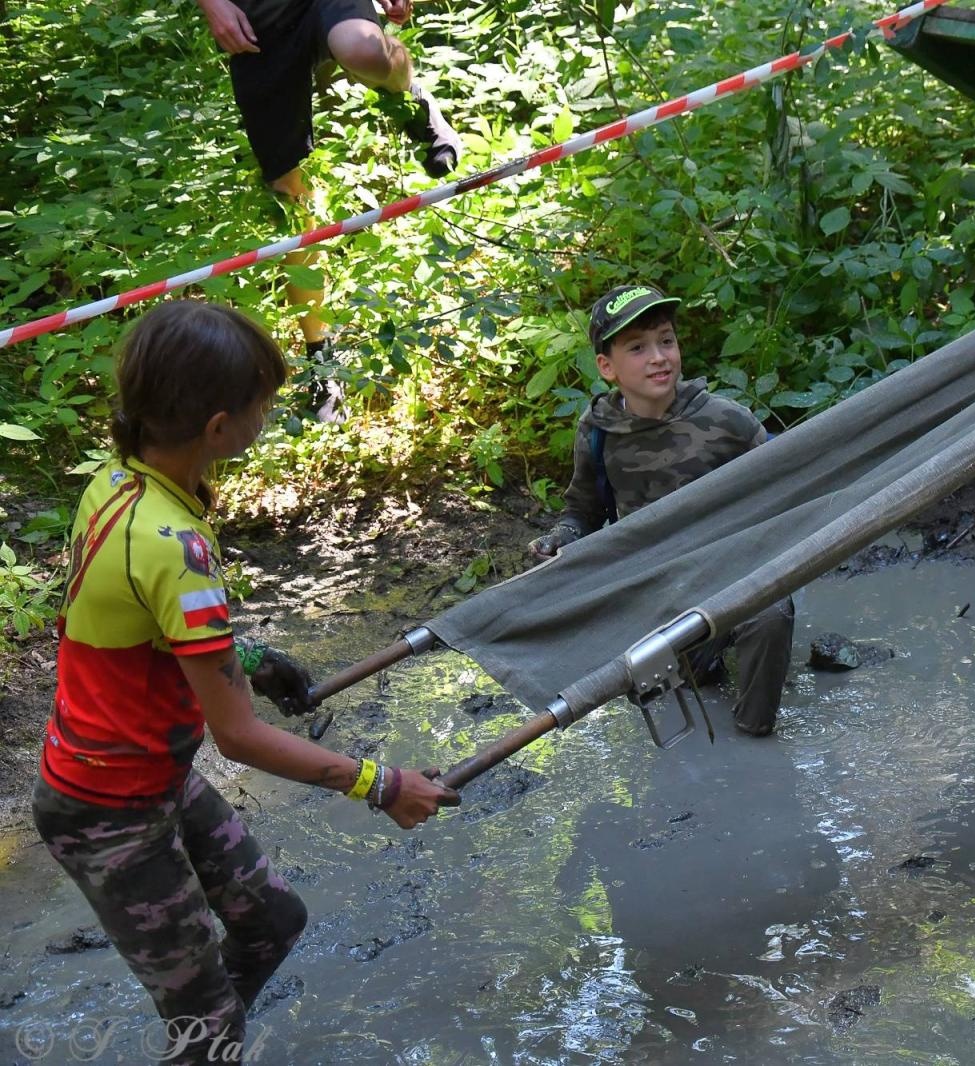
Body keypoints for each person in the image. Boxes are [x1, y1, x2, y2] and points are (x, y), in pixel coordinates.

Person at [33, 301, 459, 1063]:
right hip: (106, 807)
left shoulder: (122, 482)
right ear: (220, 427)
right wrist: (382, 783)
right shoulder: (175, 547)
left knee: (273, 925)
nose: (270, 413)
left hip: (148, 775)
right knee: (209, 1023)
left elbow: (143, 624)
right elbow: (238, 737)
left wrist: (253, 660)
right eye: (264, 402)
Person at [529, 284, 795, 737]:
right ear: (607, 368)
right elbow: (583, 512)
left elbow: (782, 487)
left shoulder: (727, 421)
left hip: (730, 573)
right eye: (638, 348)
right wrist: (562, 537)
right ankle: (702, 666)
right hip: (653, 590)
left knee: (771, 614)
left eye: (666, 341)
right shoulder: (597, 432)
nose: (658, 357)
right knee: (675, 687)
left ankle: (755, 735)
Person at [194, 0, 466, 417]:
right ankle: (321, 357)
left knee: (363, 49)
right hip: (256, 21)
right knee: (288, 194)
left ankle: (412, 99)